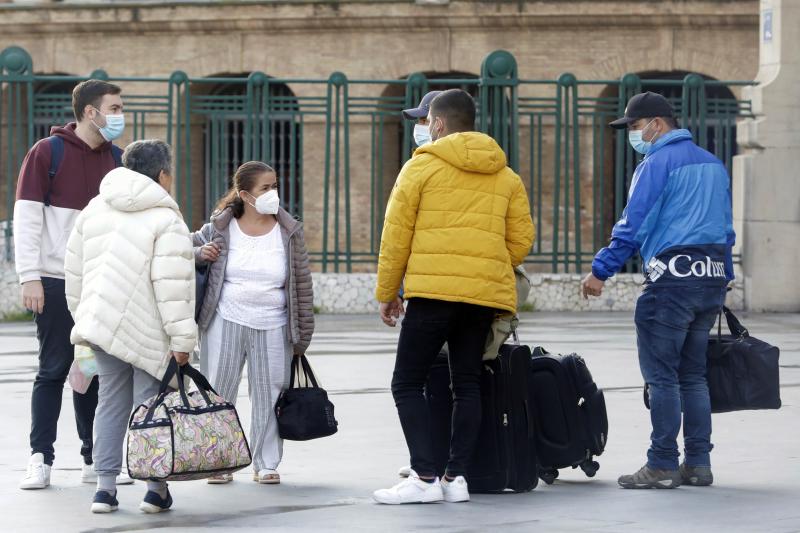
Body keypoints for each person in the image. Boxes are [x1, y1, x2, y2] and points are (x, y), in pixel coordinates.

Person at [373, 89, 534, 504]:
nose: (420, 128)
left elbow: (396, 236)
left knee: (406, 382)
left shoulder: (419, 169)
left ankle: (423, 477)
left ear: (439, 124)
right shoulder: (506, 175)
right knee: (467, 382)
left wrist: (388, 292)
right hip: (482, 297)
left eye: (424, 121)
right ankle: (455, 478)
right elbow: (521, 241)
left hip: (432, 293)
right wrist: (485, 264)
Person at [582, 91, 735, 489]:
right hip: (710, 278)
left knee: (663, 377)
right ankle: (698, 463)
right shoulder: (714, 164)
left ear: (657, 124)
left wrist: (601, 270)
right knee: (694, 376)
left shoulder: (656, 163)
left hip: (670, 282)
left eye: (634, 127)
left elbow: (633, 223)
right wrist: (725, 273)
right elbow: (726, 227)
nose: (633, 135)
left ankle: (663, 463)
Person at [64, 139, 196, 513]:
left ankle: (104, 489)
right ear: (163, 174)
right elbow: (172, 286)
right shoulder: (166, 217)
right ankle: (155, 489)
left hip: (101, 325)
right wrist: (182, 338)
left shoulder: (94, 209)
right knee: (149, 406)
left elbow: (74, 273)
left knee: (109, 403)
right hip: (149, 329)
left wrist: (85, 317)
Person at [13, 79, 130, 490]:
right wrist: (29, 276)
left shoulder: (118, 160)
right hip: (55, 280)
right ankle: (40, 458)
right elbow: (27, 219)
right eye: (113, 108)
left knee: (93, 371)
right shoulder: (47, 153)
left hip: (101, 285)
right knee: (53, 370)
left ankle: (93, 458)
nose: (119, 115)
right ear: (90, 112)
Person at [193, 161, 314, 485]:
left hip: (273, 322)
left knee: (271, 393)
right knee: (218, 390)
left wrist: (303, 332)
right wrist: (199, 254)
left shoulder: (289, 231)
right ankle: (219, 460)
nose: (273, 193)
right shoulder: (219, 227)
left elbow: (302, 282)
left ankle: (266, 462)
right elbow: (183, 250)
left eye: (275, 186)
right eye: (265, 188)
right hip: (226, 318)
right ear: (245, 194)